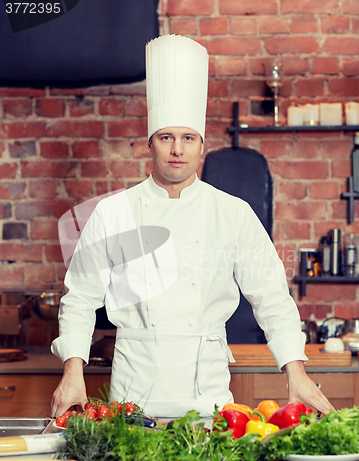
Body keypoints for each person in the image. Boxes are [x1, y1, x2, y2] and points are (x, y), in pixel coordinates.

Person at [51, 35, 334, 419]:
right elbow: (80, 298)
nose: (177, 149)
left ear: (202, 146)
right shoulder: (113, 212)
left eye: (188, 138)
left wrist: (295, 372)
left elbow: (272, 297)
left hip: (208, 397)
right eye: (166, 137)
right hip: (132, 396)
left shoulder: (232, 212)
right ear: (149, 144)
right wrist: (72, 371)